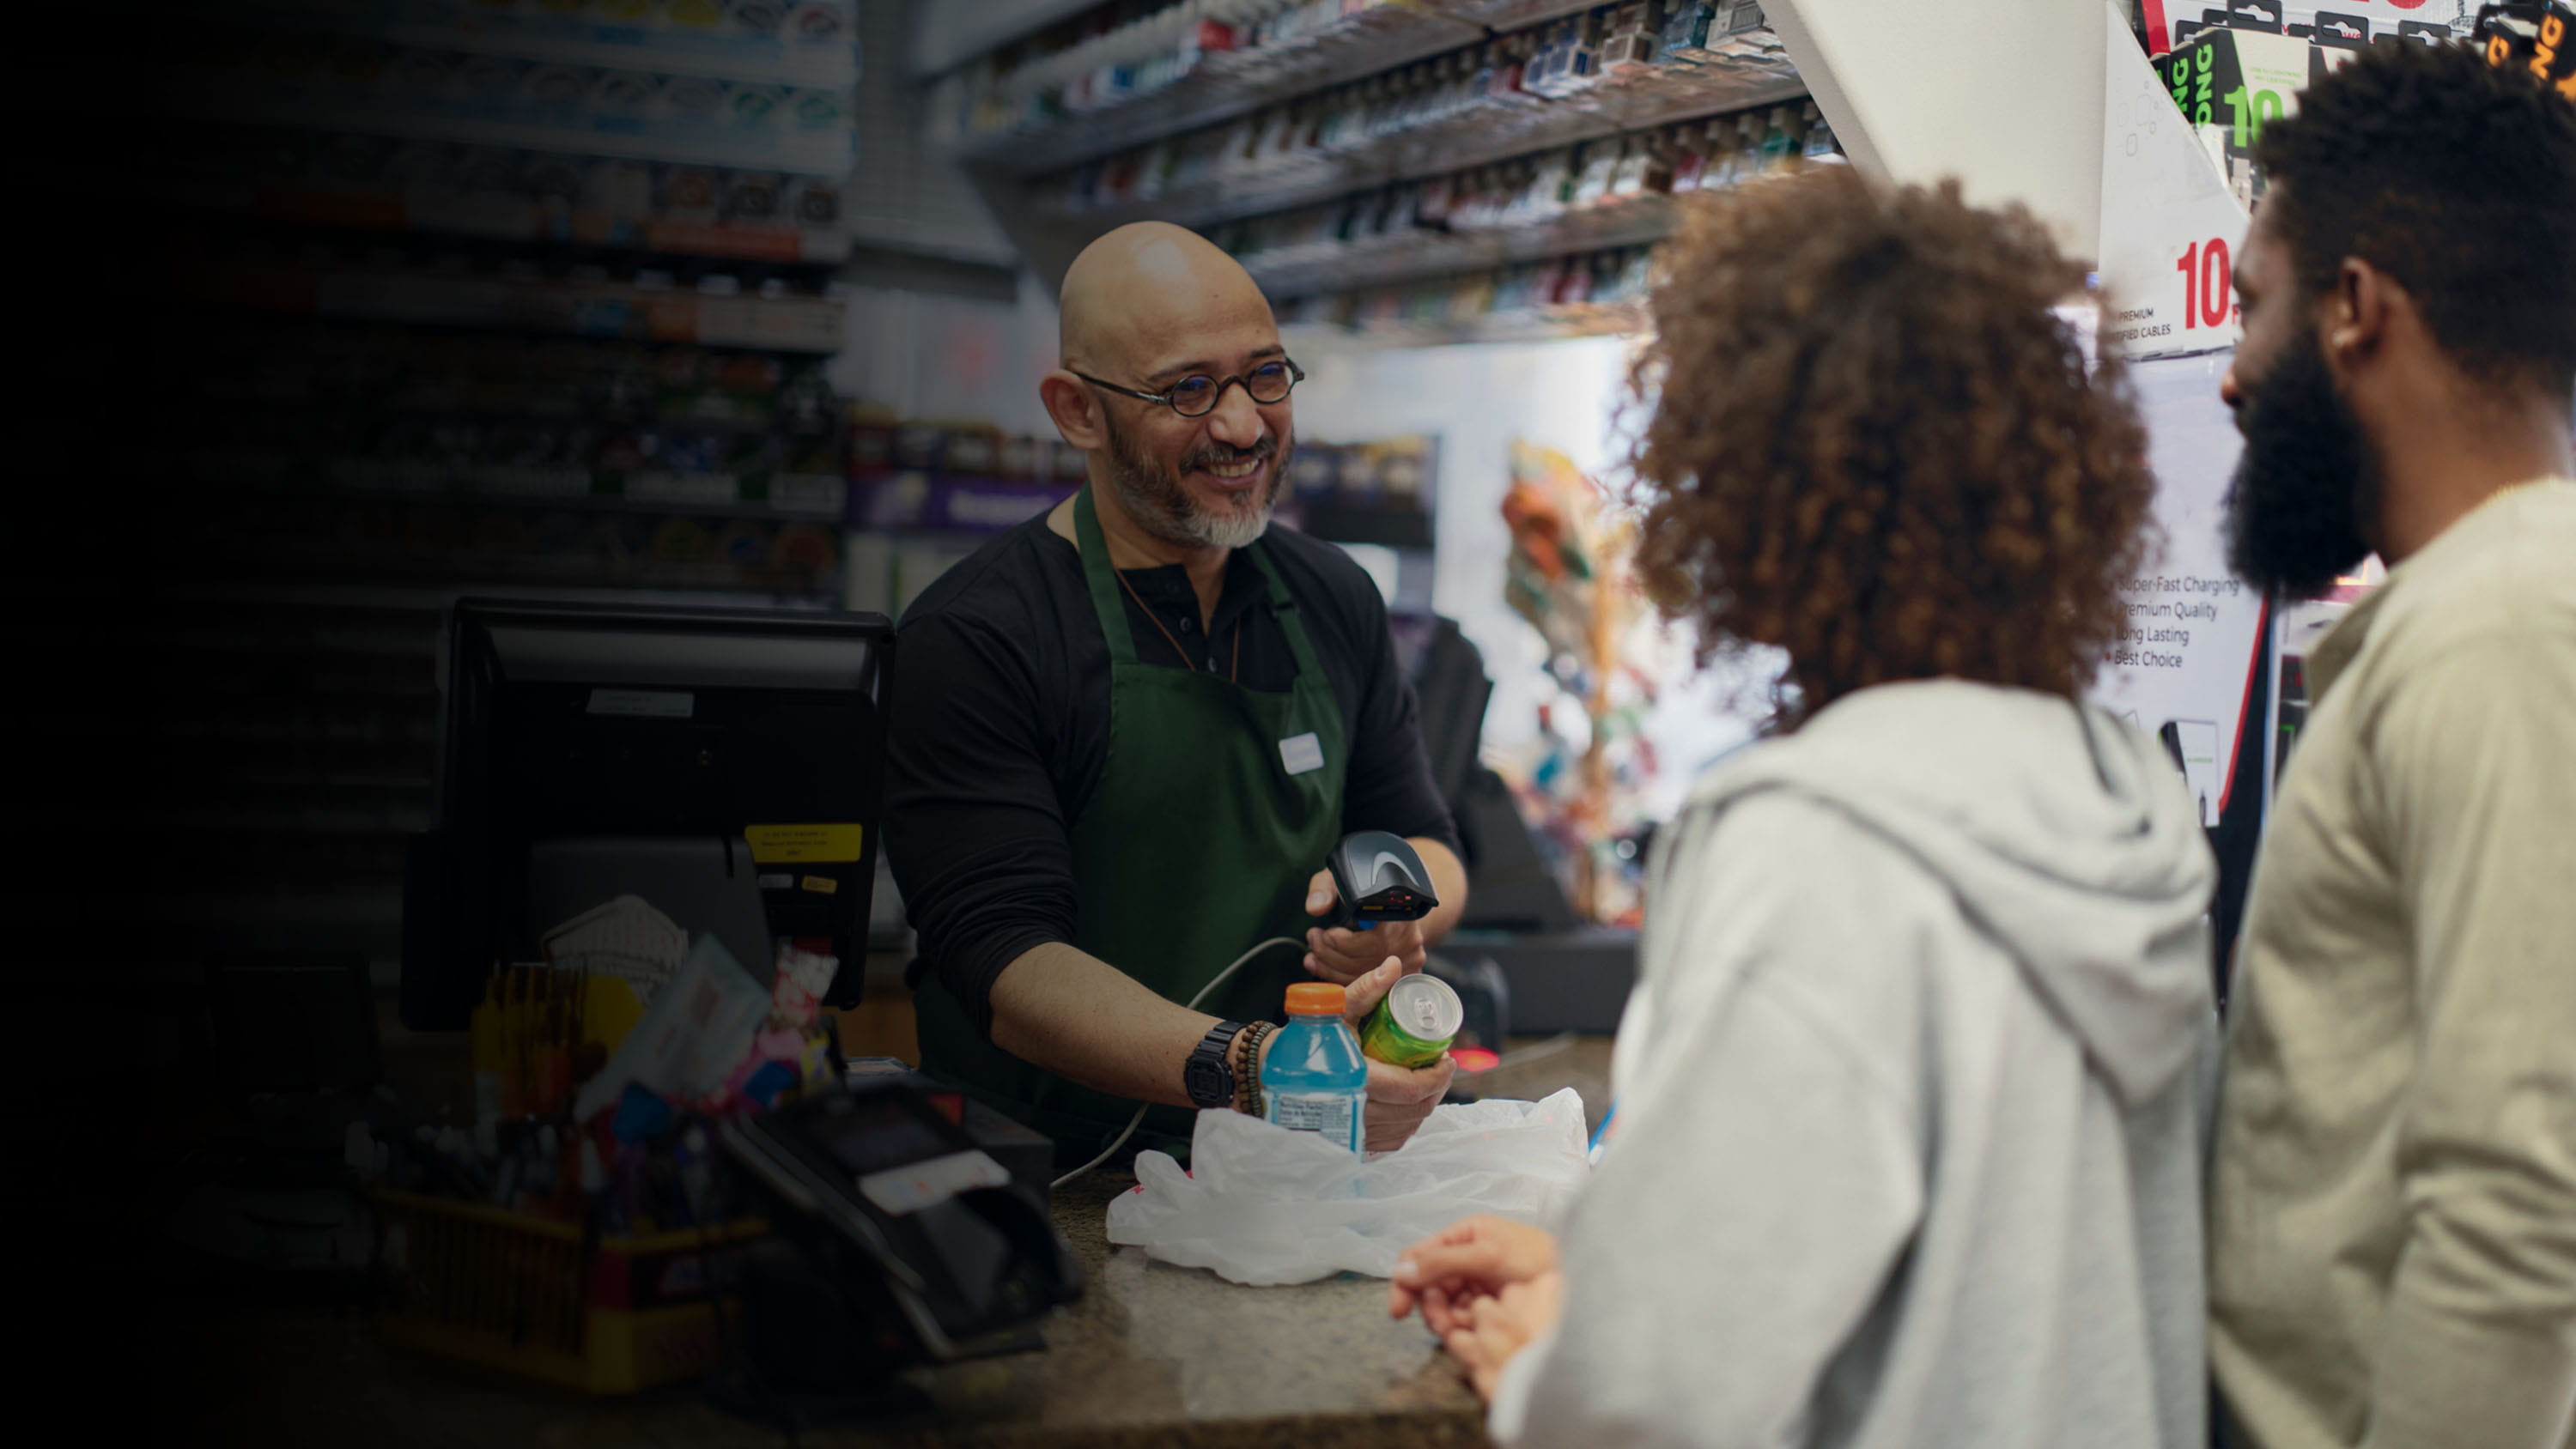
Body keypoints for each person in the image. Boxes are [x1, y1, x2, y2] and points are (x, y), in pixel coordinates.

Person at [1388, 169, 2220, 1448]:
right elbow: (1966, 1253)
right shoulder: (2115, 798)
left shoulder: (1822, 840)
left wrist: (1553, 1369)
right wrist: (1600, 1264)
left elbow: (1657, 1399)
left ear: (1741, 495)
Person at [884, 221, 1467, 1169]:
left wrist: (1397, 919)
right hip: (1049, 1177)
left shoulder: (1331, 596)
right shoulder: (978, 636)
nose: (1241, 425)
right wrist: (1252, 1066)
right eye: (1188, 388)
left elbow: (1432, 838)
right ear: (1077, 411)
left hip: (1287, 1162)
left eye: (1265, 375)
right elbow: (1008, 962)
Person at [2204, 43, 2576, 1449]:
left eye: (2255, 307)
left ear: (2355, 309)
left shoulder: (2507, 626)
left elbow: (2518, 1210)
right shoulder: (2473, 609)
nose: (2235, 375)